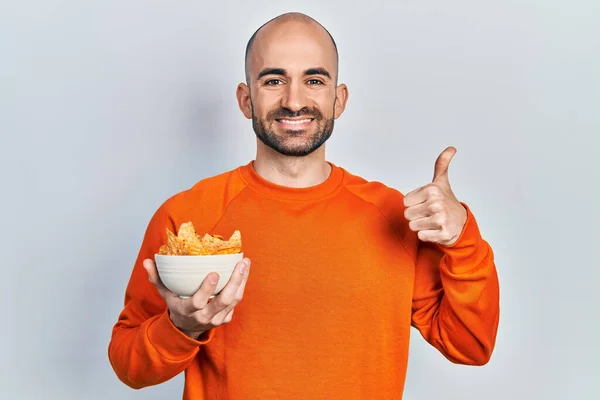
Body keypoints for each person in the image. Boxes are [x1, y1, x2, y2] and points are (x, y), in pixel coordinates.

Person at [108, 12, 500, 400]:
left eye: (314, 80)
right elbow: (129, 367)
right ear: (245, 100)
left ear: (339, 99)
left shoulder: (393, 216)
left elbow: (470, 345)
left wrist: (463, 237)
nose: (294, 101)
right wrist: (180, 326)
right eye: (274, 80)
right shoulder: (188, 216)